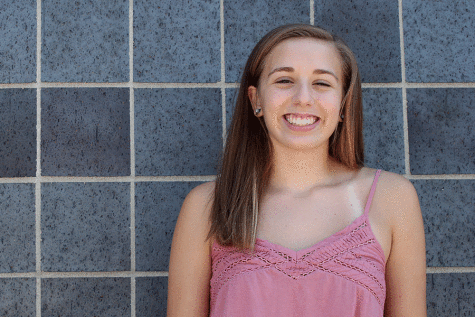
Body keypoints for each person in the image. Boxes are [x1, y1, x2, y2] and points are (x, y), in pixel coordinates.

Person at [167, 24, 426, 316]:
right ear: (255, 100)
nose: (303, 97)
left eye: (322, 84)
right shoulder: (206, 207)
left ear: (343, 103)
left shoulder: (391, 199)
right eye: (284, 80)